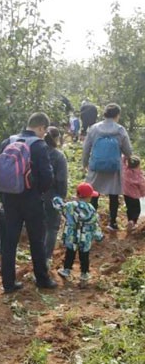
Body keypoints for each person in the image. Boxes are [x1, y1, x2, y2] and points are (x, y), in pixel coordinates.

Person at [0, 112, 57, 293]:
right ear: (41, 128)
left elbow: (0, 172)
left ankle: (8, 283)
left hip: (9, 199)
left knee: (9, 242)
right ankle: (42, 279)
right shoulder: (39, 146)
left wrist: (4, 197)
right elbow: (47, 177)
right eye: (44, 131)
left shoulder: (7, 142)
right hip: (31, 199)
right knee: (36, 240)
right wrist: (39, 191)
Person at [82, 103, 132, 231]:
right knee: (113, 195)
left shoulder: (94, 128)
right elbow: (128, 151)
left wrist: (85, 164)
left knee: (94, 193)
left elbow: (86, 148)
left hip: (96, 166)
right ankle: (112, 222)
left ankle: (91, 221)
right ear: (117, 115)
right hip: (114, 167)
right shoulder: (120, 130)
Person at [55, 183, 104, 284]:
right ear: (89, 197)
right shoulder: (91, 209)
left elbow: (59, 206)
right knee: (84, 256)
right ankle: (84, 274)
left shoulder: (70, 206)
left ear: (77, 195)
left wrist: (55, 198)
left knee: (70, 253)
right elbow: (95, 225)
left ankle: (66, 270)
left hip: (71, 236)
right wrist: (99, 236)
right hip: (85, 238)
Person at [42, 127, 68, 265]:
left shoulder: (35, 152)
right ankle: (46, 258)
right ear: (57, 138)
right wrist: (61, 197)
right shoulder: (58, 156)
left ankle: (37, 257)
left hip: (34, 194)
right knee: (52, 227)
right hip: (52, 194)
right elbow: (61, 179)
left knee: (38, 226)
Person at [122, 156, 145, 233]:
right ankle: (133, 222)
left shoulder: (125, 170)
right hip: (135, 196)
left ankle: (129, 220)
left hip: (126, 194)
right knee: (137, 210)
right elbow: (142, 185)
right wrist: (143, 194)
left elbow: (122, 162)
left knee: (129, 209)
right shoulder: (139, 175)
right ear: (138, 165)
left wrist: (126, 155)